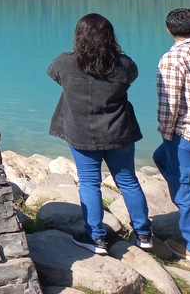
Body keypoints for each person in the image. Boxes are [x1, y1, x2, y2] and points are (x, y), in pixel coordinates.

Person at [48, 13, 152, 255]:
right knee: (128, 181)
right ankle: (144, 233)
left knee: (89, 183)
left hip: (82, 134)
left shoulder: (65, 62)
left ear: (78, 36)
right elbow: (132, 78)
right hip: (119, 132)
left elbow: (54, 75)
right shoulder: (125, 64)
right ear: (110, 36)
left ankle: (95, 238)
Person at [154, 8, 190, 268]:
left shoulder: (172, 59)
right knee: (160, 158)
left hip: (186, 133)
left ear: (169, 30)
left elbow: (169, 104)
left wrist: (165, 131)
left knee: (185, 189)